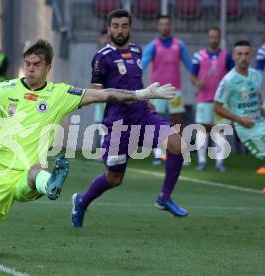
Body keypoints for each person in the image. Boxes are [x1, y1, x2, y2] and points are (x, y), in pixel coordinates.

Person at [0, 39, 177, 253]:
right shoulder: (6, 90)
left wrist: (142, 94)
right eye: (27, 64)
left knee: (35, 172)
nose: (30, 69)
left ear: (48, 67)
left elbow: (102, 94)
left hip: (30, 171)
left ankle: (49, 182)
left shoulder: (59, 94)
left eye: (36, 65)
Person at [70, 10, 188, 229]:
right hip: (118, 122)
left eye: (124, 26)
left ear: (130, 28)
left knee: (177, 143)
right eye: (115, 26)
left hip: (142, 116)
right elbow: (95, 92)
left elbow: (133, 80)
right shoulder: (102, 57)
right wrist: (131, 96)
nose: (120, 30)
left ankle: (164, 198)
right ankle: (81, 201)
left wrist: (145, 98)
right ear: (109, 28)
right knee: (115, 178)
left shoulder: (136, 50)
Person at [214, 40, 265, 208]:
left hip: (261, 122)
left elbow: (256, 99)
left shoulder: (255, 75)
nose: (243, 57)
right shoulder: (229, 80)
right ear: (233, 56)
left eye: (246, 54)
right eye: (239, 54)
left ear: (251, 55)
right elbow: (217, 107)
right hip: (247, 128)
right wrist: (240, 120)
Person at [142, 15, 192, 165]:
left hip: (175, 91)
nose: (164, 27)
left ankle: (180, 151)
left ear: (170, 26)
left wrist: (196, 77)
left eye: (167, 24)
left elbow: (189, 64)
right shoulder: (153, 46)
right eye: (162, 24)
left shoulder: (179, 45)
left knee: (177, 121)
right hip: (157, 91)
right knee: (154, 120)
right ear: (158, 27)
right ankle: (158, 153)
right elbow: (143, 64)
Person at [190, 27, 234, 172]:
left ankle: (219, 162)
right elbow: (192, 76)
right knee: (203, 131)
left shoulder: (226, 56)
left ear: (220, 38)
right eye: (211, 37)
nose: (214, 39)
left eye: (216, 37)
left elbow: (233, 74)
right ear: (208, 38)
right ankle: (202, 161)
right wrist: (197, 83)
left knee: (220, 131)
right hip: (204, 99)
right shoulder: (199, 56)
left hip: (221, 101)